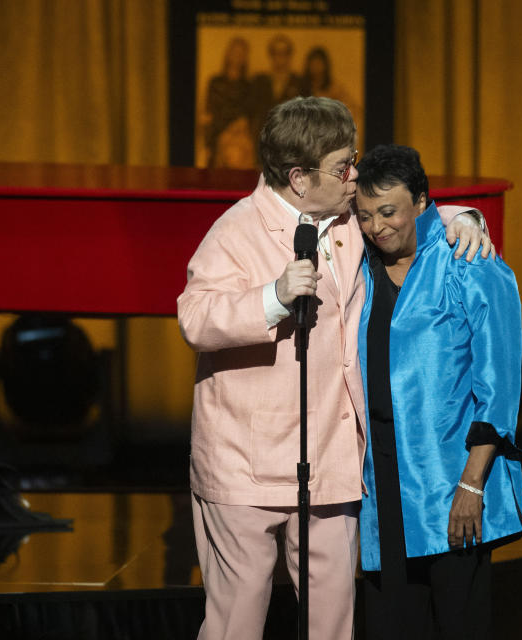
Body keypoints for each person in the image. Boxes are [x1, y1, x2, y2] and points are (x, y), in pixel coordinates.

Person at [176, 97, 491, 640]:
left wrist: (461, 215)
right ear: (298, 178)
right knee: (237, 621)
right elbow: (196, 318)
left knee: (332, 624)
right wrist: (271, 299)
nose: (355, 176)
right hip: (242, 466)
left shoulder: (347, 222)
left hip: (331, 465)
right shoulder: (235, 231)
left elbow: (406, 211)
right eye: (344, 166)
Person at [354, 144, 522, 640]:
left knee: (460, 627)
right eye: (365, 216)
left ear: (422, 202)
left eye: (388, 212)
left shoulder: (469, 262)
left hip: (453, 487)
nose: (377, 226)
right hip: (383, 489)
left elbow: (500, 389)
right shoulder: (360, 269)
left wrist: (471, 486)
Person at [201, 37, 254, 168]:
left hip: (241, 133)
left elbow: (248, 113)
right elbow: (211, 111)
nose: (237, 56)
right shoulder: (215, 82)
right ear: (228, 54)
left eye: (241, 53)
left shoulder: (248, 85)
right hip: (219, 131)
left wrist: (240, 125)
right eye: (234, 51)